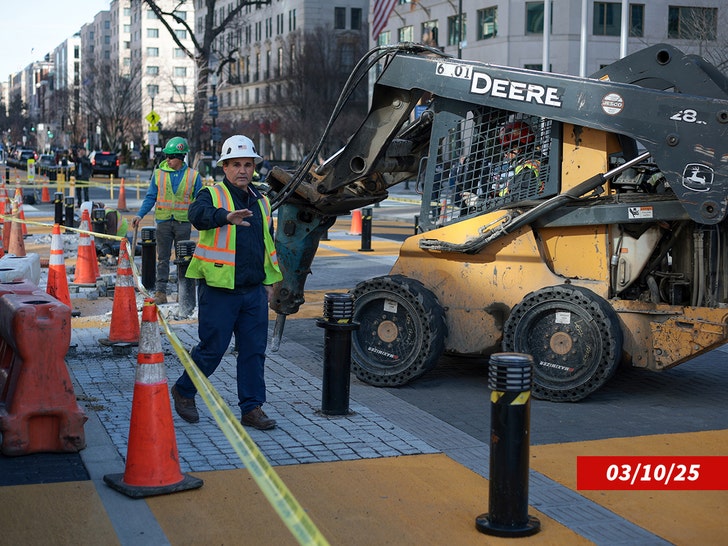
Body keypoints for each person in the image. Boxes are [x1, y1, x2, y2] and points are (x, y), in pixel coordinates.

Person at [170, 135, 282, 431]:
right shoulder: (212, 195)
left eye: (248, 164)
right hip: (220, 290)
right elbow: (196, 216)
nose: (243, 170)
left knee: (253, 351)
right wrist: (224, 217)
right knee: (212, 349)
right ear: (225, 167)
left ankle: (252, 408)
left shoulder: (262, 200)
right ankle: (183, 390)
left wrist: (270, 283)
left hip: (253, 290)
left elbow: (265, 243)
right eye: (236, 165)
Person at [130, 136, 203, 304]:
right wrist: (140, 215)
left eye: (171, 157)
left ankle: (184, 293)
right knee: (162, 259)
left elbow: (200, 201)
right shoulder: (158, 174)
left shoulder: (193, 176)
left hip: (183, 223)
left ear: (181, 157)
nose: (168, 160)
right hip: (163, 222)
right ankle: (160, 293)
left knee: (184, 260)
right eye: (166, 156)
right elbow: (150, 198)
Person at [491, 120, 542, 199]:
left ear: (517, 148)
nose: (505, 155)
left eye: (506, 150)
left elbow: (515, 200)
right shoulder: (532, 163)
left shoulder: (528, 168)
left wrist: (478, 202)